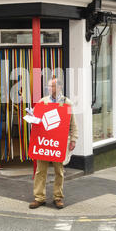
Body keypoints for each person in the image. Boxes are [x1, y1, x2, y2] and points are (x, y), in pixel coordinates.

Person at [29, 78, 78, 210]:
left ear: (59, 87)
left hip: (59, 142)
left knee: (59, 171)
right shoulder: (42, 102)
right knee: (40, 171)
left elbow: (72, 122)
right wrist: (32, 116)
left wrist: (73, 139)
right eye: (49, 86)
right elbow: (37, 120)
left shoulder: (67, 103)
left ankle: (58, 197)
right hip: (44, 142)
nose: (49, 88)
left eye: (52, 86)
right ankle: (39, 198)